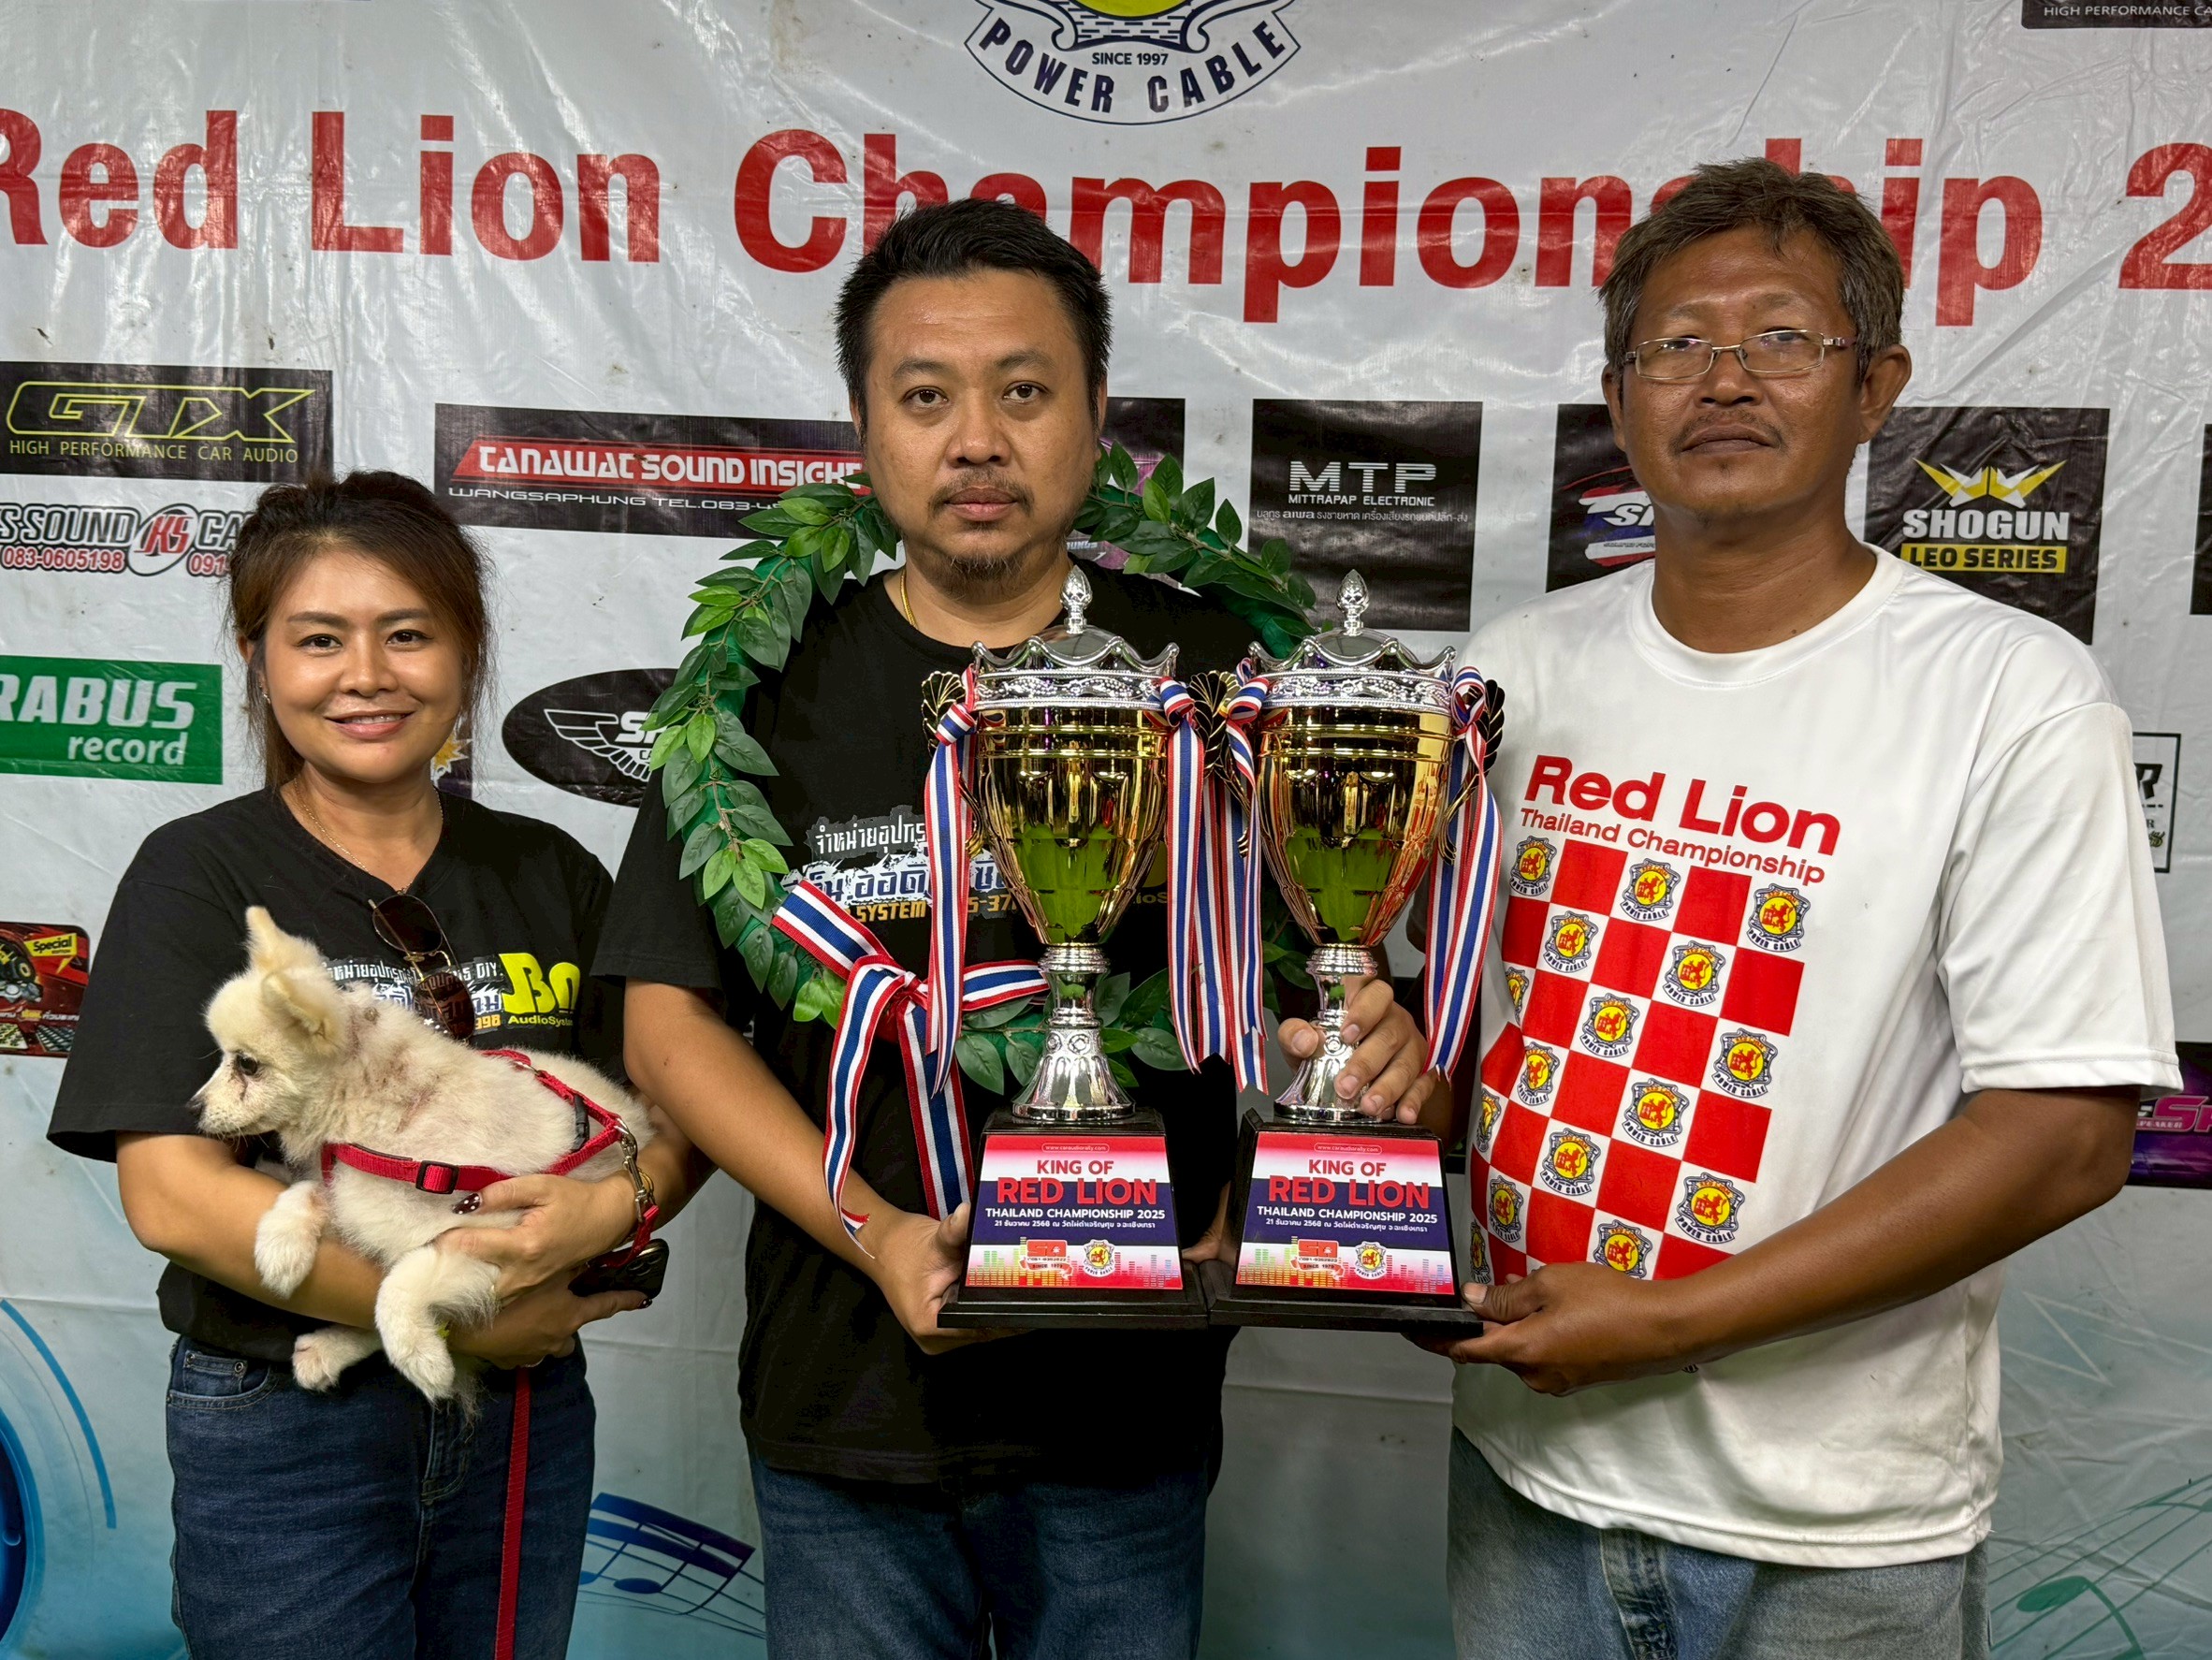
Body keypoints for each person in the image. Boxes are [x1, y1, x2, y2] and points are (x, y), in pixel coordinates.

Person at [598, 197, 1441, 1660]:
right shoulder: (757, 689)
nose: (976, 440)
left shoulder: (1226, 682)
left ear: (1099, 417)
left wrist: (1353, 1058)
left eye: (1025, 391)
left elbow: (1325, 976)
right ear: (864, 429)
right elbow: (668, 1022)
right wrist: (876, 1235)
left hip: (1125, 1406)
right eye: (926, 397)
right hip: (844, 1390)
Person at [1435, 157, 2178, 1659]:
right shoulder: (1509, 673)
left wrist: (1674, 1318)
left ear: (1876, 384)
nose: (1725, 379)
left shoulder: (2009, 695)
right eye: (1677, 344)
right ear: (1617, 394)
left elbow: (2065, 1134)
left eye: (1781, 337)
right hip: (1526, 1469)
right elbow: (1458, 1025)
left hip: (1832, 1532)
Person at [47, 471, 709, 1660]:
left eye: (408, 633)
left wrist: (614, 1206)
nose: (366, 674)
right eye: (318, 639)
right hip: (292, 1412)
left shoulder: (548, 871)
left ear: (467, 651)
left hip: (521, 1412)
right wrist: (454, 1316)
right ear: (257, 659)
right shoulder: (198, 873)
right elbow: (174, 1197)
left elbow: (674, 1111)